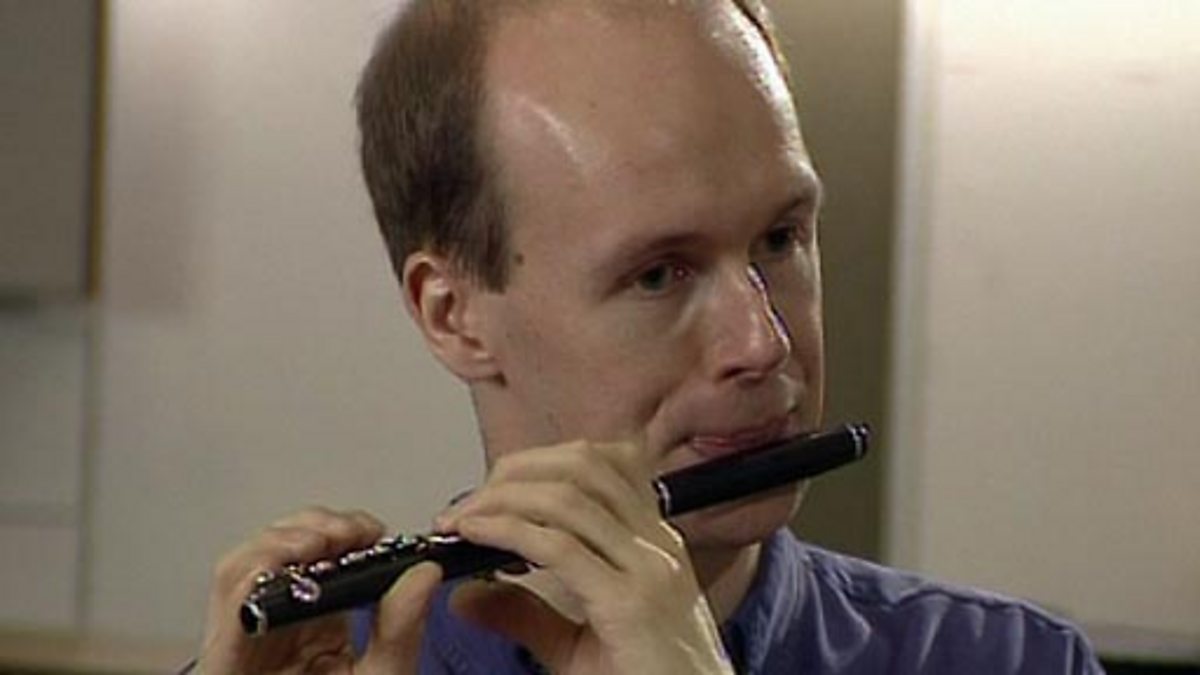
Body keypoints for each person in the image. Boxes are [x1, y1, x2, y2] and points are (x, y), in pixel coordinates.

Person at [196, 1, 1104, 673]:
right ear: (452, 313)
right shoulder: (306, 662)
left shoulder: (1015, 661)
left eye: (781, 238)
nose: (764, 342)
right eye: (659, 274)